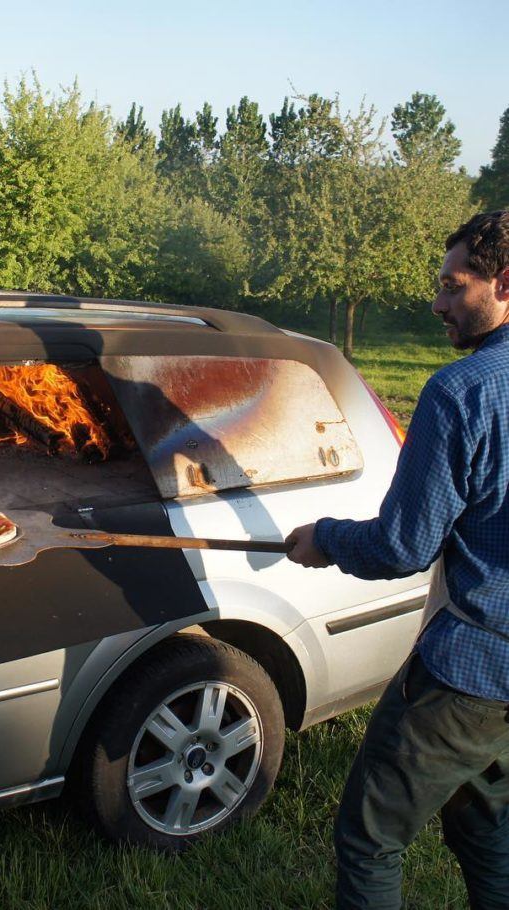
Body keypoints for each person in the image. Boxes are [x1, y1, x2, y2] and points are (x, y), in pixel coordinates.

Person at [286, 210, 509, 910]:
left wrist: (324, 538)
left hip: (469, 669)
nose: (438, 302)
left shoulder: (461, 391)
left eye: (454, 285)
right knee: (489, 827)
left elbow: (403, 546)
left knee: (369, 838)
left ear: (505, 282)